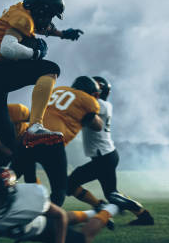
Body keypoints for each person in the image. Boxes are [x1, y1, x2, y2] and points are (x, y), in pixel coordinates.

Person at [0, 0, 84, 172]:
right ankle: (35, 126)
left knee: (8, 141)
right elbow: (7, 49)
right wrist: (35, 53)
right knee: (50, 69)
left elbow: (38, 26)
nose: (49, 20)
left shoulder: (22, 10)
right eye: (49, 15)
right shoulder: (23, 19)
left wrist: (62, 34)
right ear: (41, 10)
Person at [68, 76, 154, 226]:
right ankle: (143, 215)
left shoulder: (99, 105)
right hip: (106, 156)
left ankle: (99, 206)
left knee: (70, 184)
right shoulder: (104, 105)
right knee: (112, 194)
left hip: (103, 157)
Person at [17, 76, 104, 206]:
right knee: (59, 190)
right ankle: (50, 221)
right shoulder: (89, 101)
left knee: (21, 178)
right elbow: (98, 126)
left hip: (29, 136)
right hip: (52, 142)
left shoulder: (58, 90)